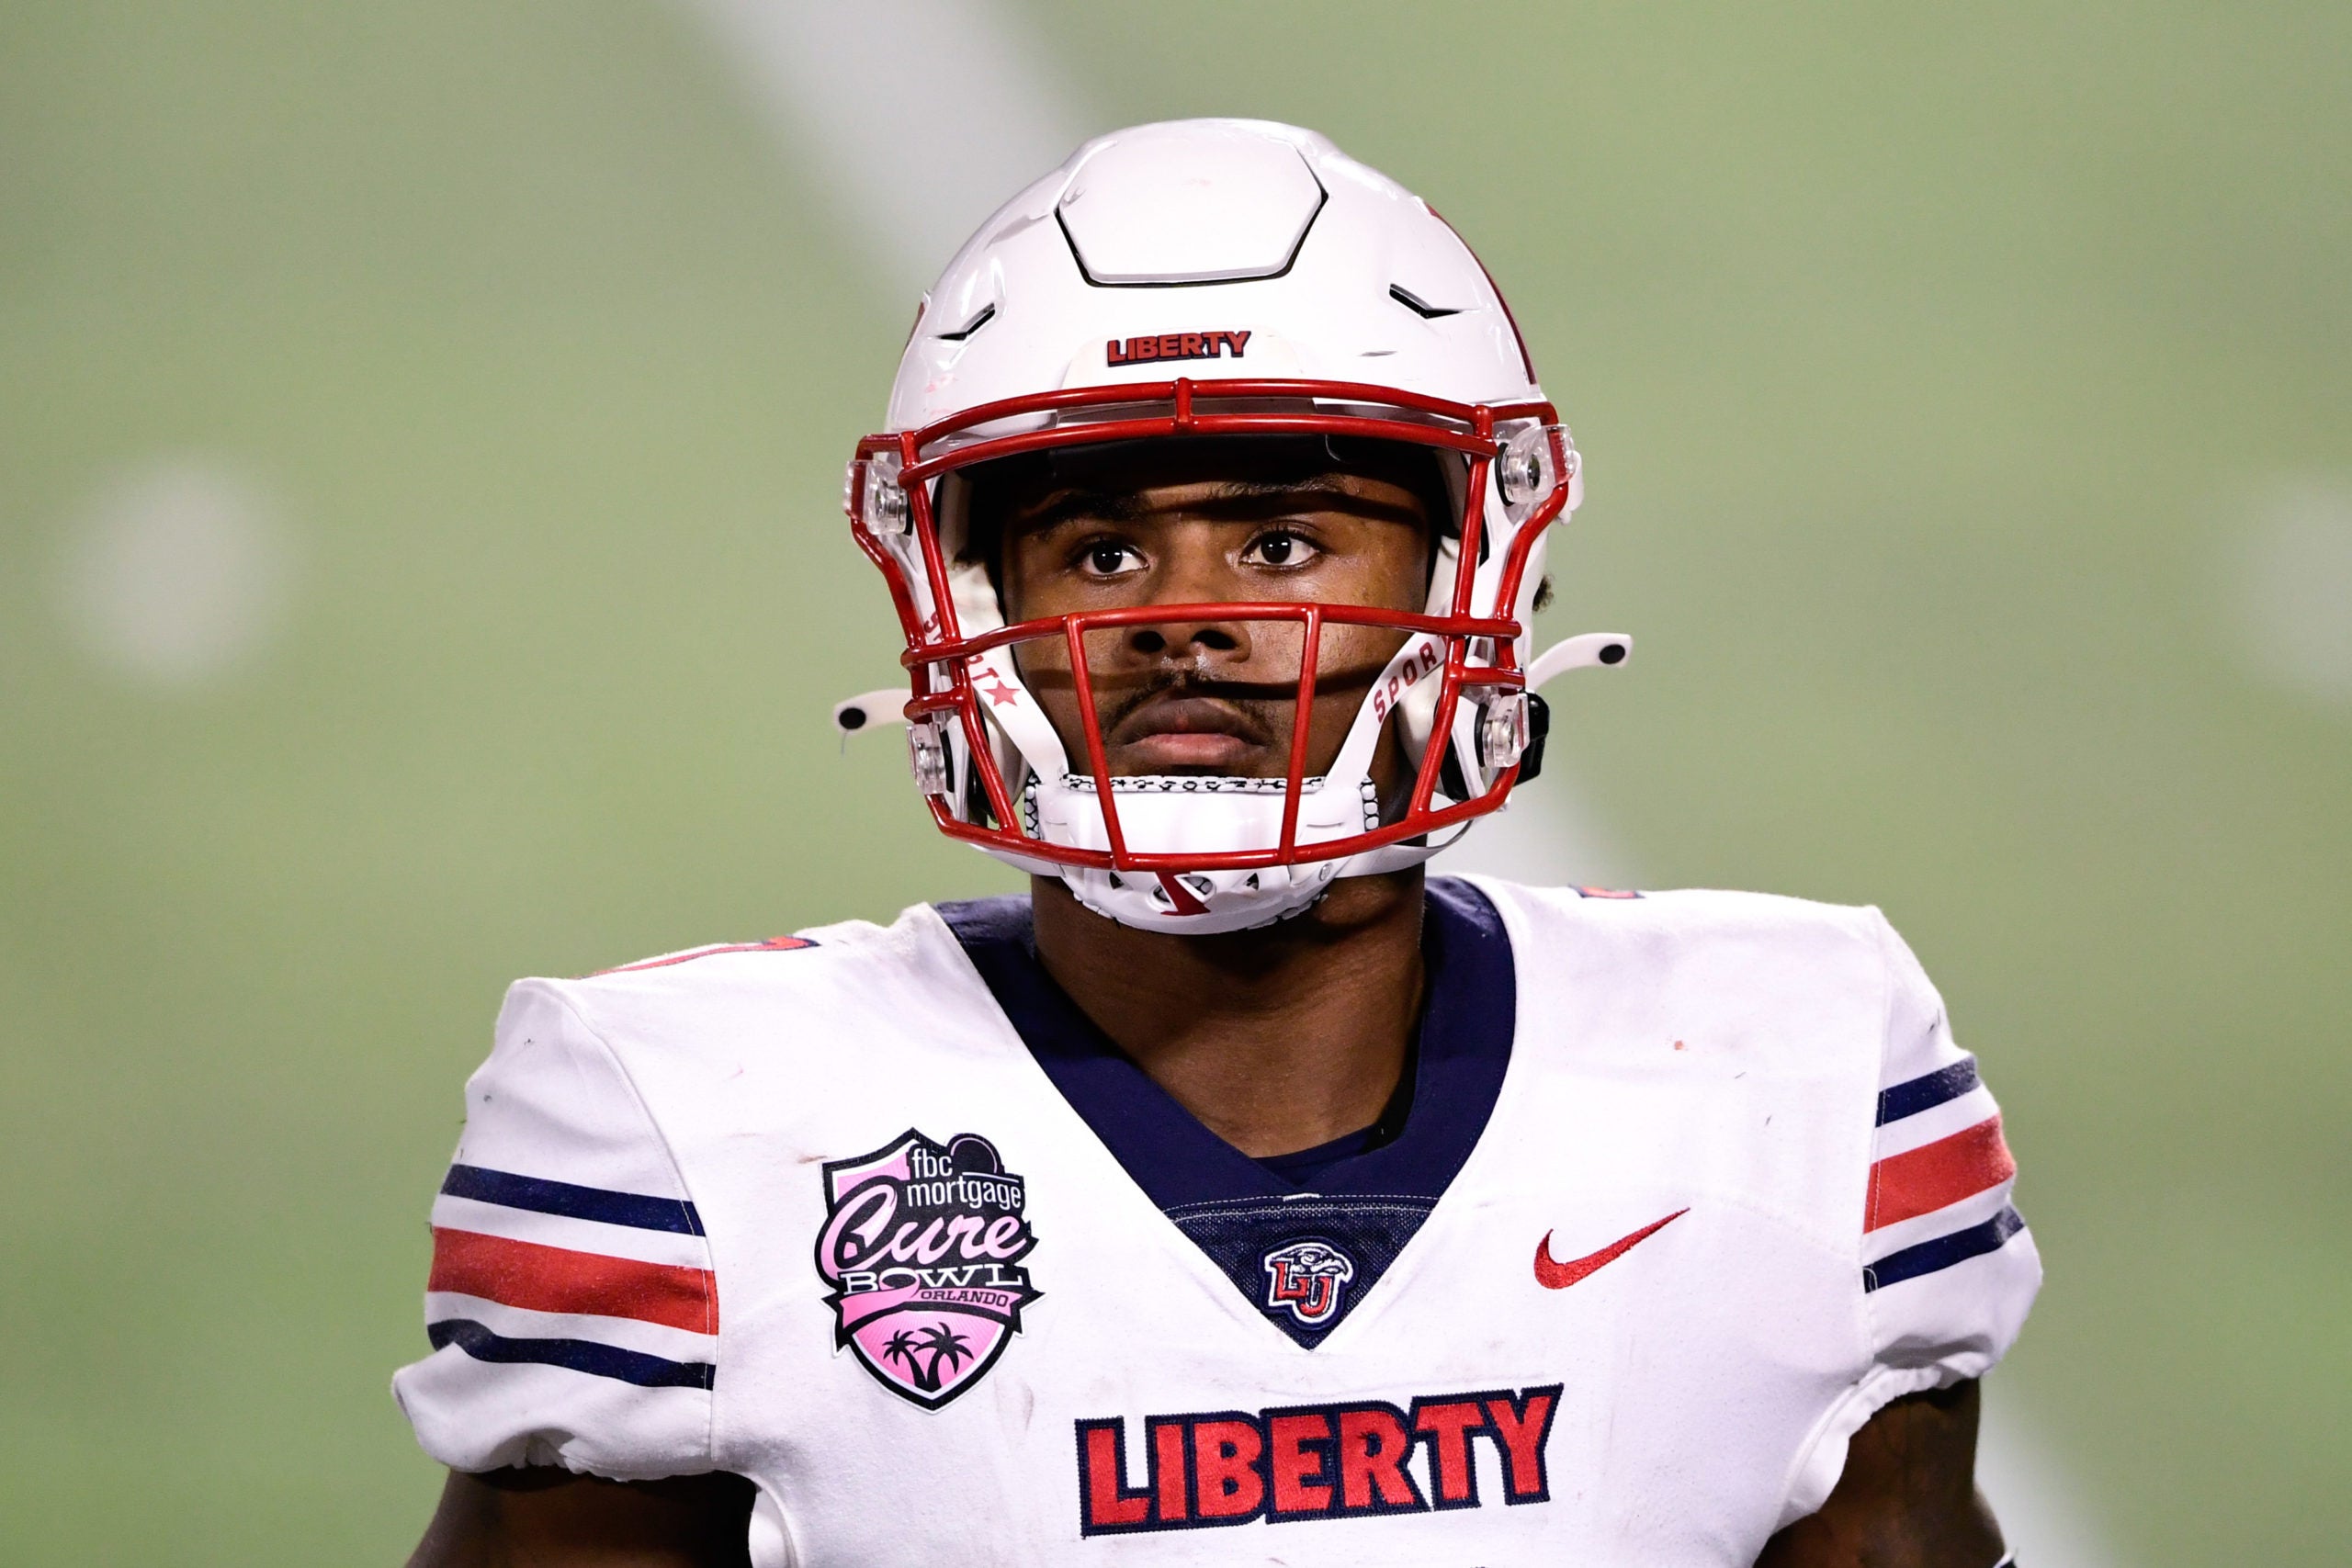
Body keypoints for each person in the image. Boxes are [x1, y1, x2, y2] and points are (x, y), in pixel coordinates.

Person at [397, 120, 2040, 1567]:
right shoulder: (677, 1134)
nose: (1188, 622)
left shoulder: (1797, 1070)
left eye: (1280, 538)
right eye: (1100, 552)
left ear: (1476, 573)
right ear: (974, 607)